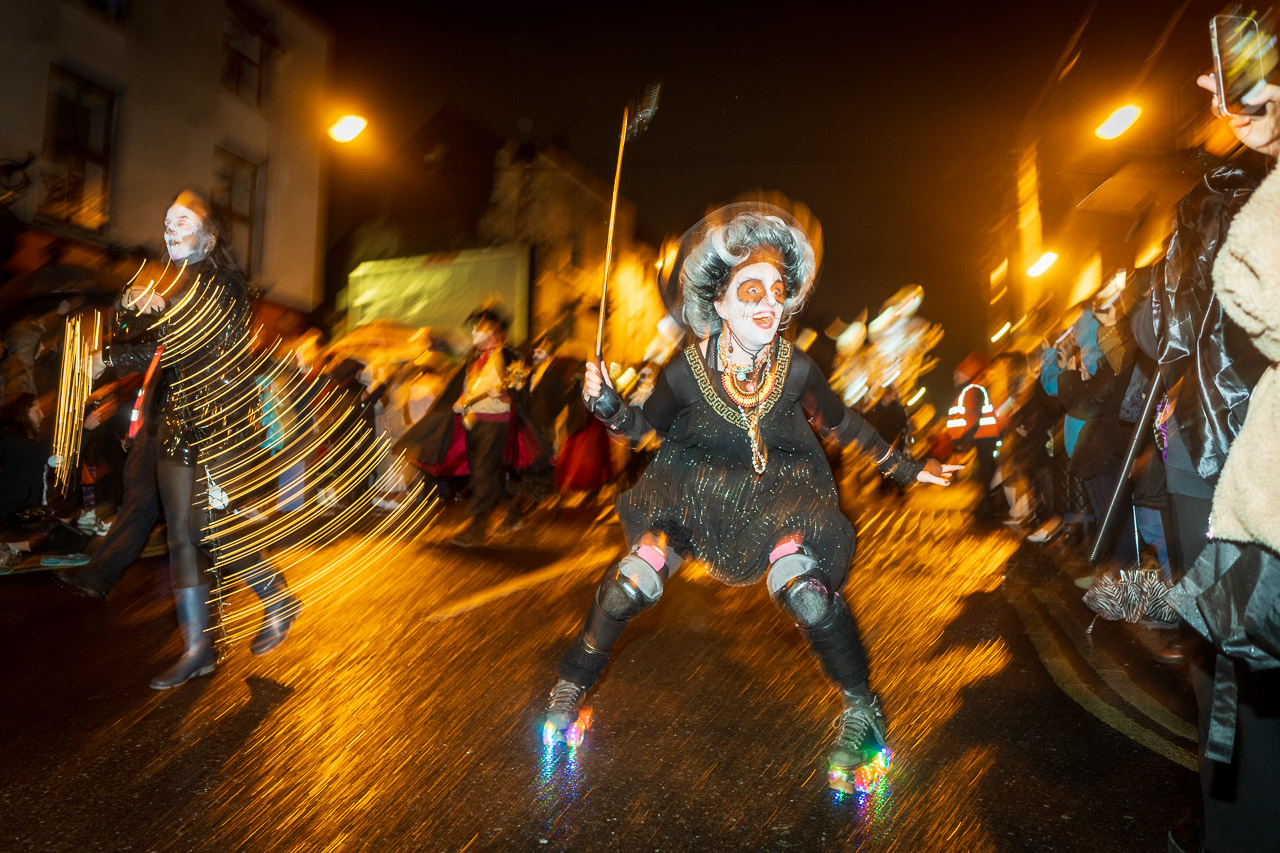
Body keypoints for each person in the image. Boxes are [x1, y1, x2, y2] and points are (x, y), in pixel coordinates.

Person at [539, 202, 958, 789]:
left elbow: (845, 425)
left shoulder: (796, 369)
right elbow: (640, 428)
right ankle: (572, 685)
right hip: (692, 493)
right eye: (751, 289)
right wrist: (608, 404)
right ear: (721, 304)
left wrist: (908, 468)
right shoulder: (686, 371)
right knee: (634, 578)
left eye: (777, 291)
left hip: (778, 497)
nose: (768, 302)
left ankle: (864, 711)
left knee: (806, 591)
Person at [94, 191, 299, 689]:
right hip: (178, 423)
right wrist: (127, 308)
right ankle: (197, 650)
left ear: (207, 235)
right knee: (181, 536)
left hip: (220, 426)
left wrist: (114, 358)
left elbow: (191, 343)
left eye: (181, 220)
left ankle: (275, 593)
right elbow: (142, 337)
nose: (169, 228)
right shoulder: (177, 287)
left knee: (207, 528)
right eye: (166, 220)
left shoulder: (226, 285)